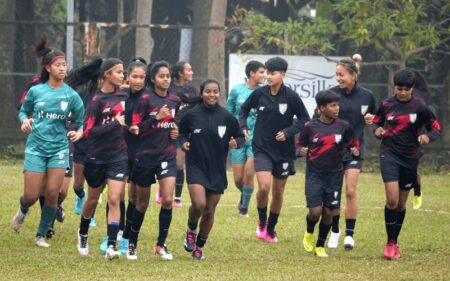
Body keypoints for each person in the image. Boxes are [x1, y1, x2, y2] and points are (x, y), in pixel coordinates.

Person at [11, 36, 84, 248]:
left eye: (64, 65)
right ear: (48, 68)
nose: (63, 69)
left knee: (54, 193)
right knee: (32, 195)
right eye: (58, 65)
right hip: (36, 147)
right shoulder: (36, 90)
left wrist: (78, 133)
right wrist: (24, 121)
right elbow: (24, 111)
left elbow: (80, 123)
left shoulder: (71, 95)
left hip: (59, 149)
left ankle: (41, 234)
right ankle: (23, 208)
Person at [240, 57, 310, 243]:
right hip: (262, 148)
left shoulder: (291, 97)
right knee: (264, 187)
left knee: (278, 192)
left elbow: (304, 119)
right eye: (267, 73)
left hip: (284, 151)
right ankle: (262, 221)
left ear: (283, 74)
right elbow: (244, 110)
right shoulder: (259, 94)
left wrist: (288, 132)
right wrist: (243, 126)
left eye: (273, 73)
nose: (268, 76)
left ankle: (271, 229)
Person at [372, 69, 441, 259]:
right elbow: (376, 123)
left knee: (401, 204)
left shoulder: (420, 107)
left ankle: (395, 242)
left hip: (410, 157)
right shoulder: (386, 104)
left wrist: (428, 136)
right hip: (389, 155)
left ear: (412, 88)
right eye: (399, 88)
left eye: (406, 89)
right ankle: (388, 243)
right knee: (392, 200)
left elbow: (436, 129)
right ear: (395, 87)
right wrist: (377, 130)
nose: (402, 92)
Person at [180, 79, 244, 260]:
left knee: (209, 210)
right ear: (202, 93)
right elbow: (182, 132)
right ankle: (191, 228)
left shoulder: (227, 117)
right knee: (199, 204)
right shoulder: (191, 115)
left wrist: (235, 142)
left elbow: (239, 137)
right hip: (196, 166)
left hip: (217, 168)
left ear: (219, 93)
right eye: (208, 91)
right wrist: (183, 143)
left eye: (215, 91)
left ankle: (199, 246)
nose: (212, 95)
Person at [71, 58, 128, 260]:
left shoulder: (125, 95)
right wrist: (115, 124)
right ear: (106, 75)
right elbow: (88, 131)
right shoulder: (96, 100)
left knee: (114, 198)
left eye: (123, 72)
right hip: (95, 157)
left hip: (119, 156)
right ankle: (83, 231)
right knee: (93, 199)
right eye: (119, 72)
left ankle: (112, 245)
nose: (123, 76)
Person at [126, 61, 180, 260]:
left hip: (167, 156)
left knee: (167, 200)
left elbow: (176, 122)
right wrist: (157, 118)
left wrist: (176, 131)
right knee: (141, 204)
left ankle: (160, 244)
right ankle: (132, 243)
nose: (166, 79)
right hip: (145, 157)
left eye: (168, 76)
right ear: (153, 79)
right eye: (161, 76)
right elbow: (136, 128)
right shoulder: (145, 99)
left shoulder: (175, 99)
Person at [298, 90, 360, 257]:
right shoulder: (310, 127)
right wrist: (300, 151)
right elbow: (298, 145)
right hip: (314, 175)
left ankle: (320, 245)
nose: (337, 108)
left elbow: (353, 145)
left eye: (338, 105)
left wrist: (354, 151)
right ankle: (309, 232)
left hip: (335, 176)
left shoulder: (344, 126)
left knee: (328, 213)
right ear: (322, 108)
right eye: (333, 105)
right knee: (315, 211)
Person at [327, 56, 376, 250]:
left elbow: (376, 117)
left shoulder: (367, 96)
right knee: (334, 193)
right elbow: (320, 118)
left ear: (353, 75)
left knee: (350, 190)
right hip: (333, 150)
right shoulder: (330, 94)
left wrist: (374, 120)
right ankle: (335, 230)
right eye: (337, 74)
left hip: (355, 149)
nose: (338, 78)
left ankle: (349, 235)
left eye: (342, 74)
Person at [155, 61, 199, 207]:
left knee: (180, 164)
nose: (192, 72)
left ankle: (177, 198)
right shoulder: (170, 89)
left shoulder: (192, 89)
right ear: (180, 73)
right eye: (189, 69)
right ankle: (162, 190)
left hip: (183, 131)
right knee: (165, 161)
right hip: (167, 129)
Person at [225, 60, 266, 217]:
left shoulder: (265, 92)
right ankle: (244, 194)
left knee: (249, 174)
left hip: (257, 139)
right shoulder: (237, 91)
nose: (265, 75)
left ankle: (244, 210)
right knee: (238, 179)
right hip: (239, 137)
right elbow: (228, 112)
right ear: (252, 74)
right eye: (261, 72)